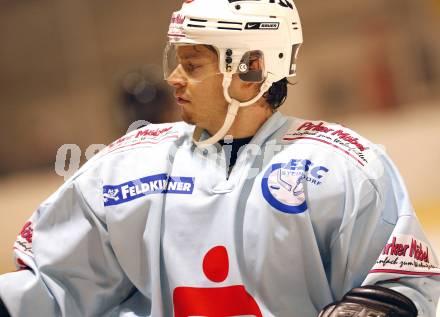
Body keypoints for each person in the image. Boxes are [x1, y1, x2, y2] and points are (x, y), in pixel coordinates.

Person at [0, 0, 439, 316]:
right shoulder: (119, 169)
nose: (174, 78)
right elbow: (53, 289)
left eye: (192, 65)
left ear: (251, 69)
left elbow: (397, 289)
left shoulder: (345, 168)